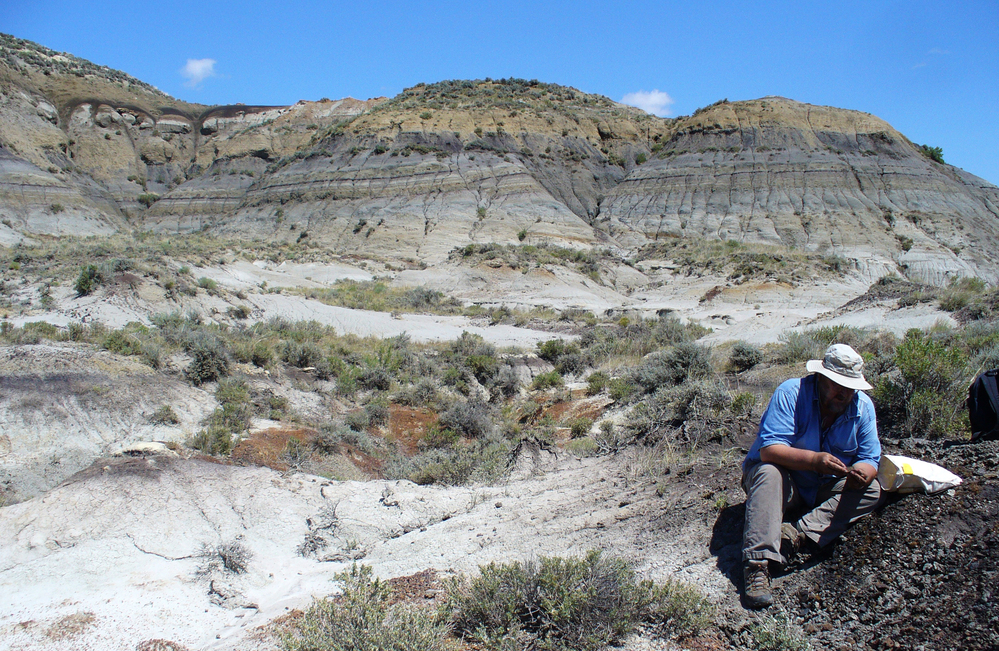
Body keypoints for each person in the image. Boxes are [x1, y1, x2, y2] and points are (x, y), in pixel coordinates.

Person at [740, 343, 882, 609]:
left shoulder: (863, 408)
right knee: (769, 472)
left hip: (823, 488)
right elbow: (769, 450)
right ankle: (757, 564)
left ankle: (796, 536)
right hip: (786, 485)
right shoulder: (791, 393)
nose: (844, 394)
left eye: (850, 388)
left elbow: (870, 457)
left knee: (874, 488)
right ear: (822, 378)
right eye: (838, 386)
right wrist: (815, 461)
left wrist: (862, 473)